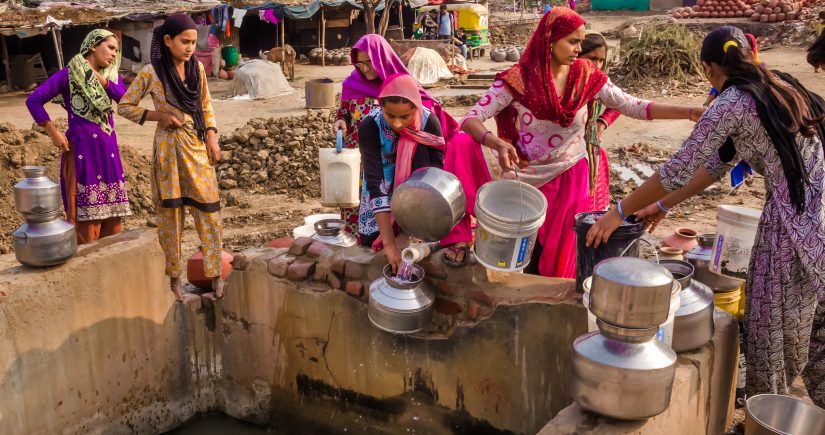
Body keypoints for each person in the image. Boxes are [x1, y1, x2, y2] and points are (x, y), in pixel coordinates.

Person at [586, 26, 825, 409]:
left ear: (710, 69)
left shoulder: (732, 102)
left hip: (793, 231)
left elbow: (677, 169)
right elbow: (716, 165)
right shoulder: (779, 85)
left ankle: (768, 413)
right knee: (816, 326)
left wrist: (618, 213)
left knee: (772, 330)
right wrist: (661, 206)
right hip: (819, 219)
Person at [439, 8, 702, 274]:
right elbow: (471, 118)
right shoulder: (519, 79)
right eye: (573, 42)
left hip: (568, 173)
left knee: (560, 255)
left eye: (580, 41)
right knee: (461, 144)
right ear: (550, 40)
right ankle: (458, 237)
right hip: (523, 171)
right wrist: (496, 142)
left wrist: (689, 112)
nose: (579, 48)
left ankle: (551, 302)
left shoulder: (587, 76)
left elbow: (634, 106)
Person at [118, 14, 224, 302]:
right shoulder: (151, 73)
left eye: (193, 42)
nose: (191, 47)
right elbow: (125, 106)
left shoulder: (197, 69)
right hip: (167, 151)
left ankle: (216, 275)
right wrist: (158, 116)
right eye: (184, 41)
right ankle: (175, 278)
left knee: (209, 213)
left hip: (196, 146)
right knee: (171, 217)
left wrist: (212, 137)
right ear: (167, 41)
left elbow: (205, 104)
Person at [331, 34, 458, 240]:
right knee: (364, 198)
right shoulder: (351, 84)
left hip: (397, 159)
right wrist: (341, 121)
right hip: (360, 155)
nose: (364, 68)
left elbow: (424, 113)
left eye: (369, 62)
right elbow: (344, 111)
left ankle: (403, 234)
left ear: (381, 58)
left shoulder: (398, 84)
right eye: (359, 63)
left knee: (406, 201)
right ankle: (365, 242)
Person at [26, 29, 131, 245]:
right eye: (110, 47)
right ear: (93, 45)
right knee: (85, 222)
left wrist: (100, 80)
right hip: (82, 151)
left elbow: (126, 100)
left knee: (113, 226)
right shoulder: (68, 74)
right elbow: (34, 100)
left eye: (116, 51)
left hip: (108, 153)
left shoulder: (111, 76)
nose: (114, 54)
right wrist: (52, 131)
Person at [358, 74, 445, 271]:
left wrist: (416, 227)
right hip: (380, 191)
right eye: (390, 115)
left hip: (418, 193)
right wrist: (388, 243)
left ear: (416, 106)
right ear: (381, 107)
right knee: (375, 243)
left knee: (418, 245)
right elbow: (374, 182)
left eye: (405, 116)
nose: (397, 124)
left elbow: (435, 177)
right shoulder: (370, 126)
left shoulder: (429, 123)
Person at [579, 31, 620, 210]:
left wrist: (602, 122)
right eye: (592, 58)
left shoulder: (601, 83)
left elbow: (620, 104)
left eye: (601, 60)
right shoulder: (564, 82)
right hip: (566, 153)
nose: (597, 65)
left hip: (591, 149)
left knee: (591, 202)